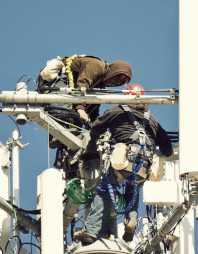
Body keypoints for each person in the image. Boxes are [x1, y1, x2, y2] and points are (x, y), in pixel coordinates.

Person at [74, 84, 173, 244]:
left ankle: (91, 231)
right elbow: (168, 149)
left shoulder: (116, 110)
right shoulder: (152, 119)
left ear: (125, 96)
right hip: (143, 168)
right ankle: (132, 221)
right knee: (132, 192)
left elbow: (97, 128)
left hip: (123, 162)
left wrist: (93, 143)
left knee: (104, 191)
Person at [38, 56, 133, 129]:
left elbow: (93, 107)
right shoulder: (97, 66)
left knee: (76, 125)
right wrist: (80, 109)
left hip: (69, 95)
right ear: (114, 71)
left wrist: (96, 125)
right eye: (116, 79)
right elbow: (82, 84)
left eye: (117, 84)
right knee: (65, 112)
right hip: (56, 84)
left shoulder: (100, 84)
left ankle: (62, 143)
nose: (113, 83)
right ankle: (56, 132)